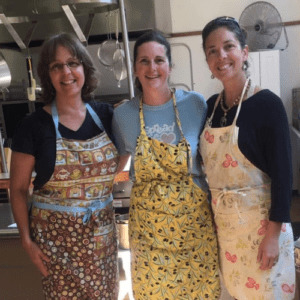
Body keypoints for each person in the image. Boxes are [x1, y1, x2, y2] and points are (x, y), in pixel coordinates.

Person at [9, 33, 120, 300]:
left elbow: (124, 155)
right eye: (56, 66)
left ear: (84, 68)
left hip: (102, 240)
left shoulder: (107, 116)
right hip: (55, 247)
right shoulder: (32, 126)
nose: (66, 72)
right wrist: (26, 241)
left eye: (72, 63)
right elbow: (19, 189)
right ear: (47, 75)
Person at [112, 30, 221, 300]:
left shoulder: (195, 104)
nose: (153, 68)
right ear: (135, 68)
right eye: (144, 61)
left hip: (194, 228)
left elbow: (213, 157)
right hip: (149, 233)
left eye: (159, 60)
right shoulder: (123, 115)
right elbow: (115, 165)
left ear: (170, 66)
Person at [199, 16, 295, 299]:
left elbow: (283, 174)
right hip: (227, 234)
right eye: (212, 51)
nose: (222, 56)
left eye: (228, 46)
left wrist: (273, 236)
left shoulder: (267, 104)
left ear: (244, 51)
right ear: (207, 61)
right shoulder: (209, 109)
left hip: (263, 231)